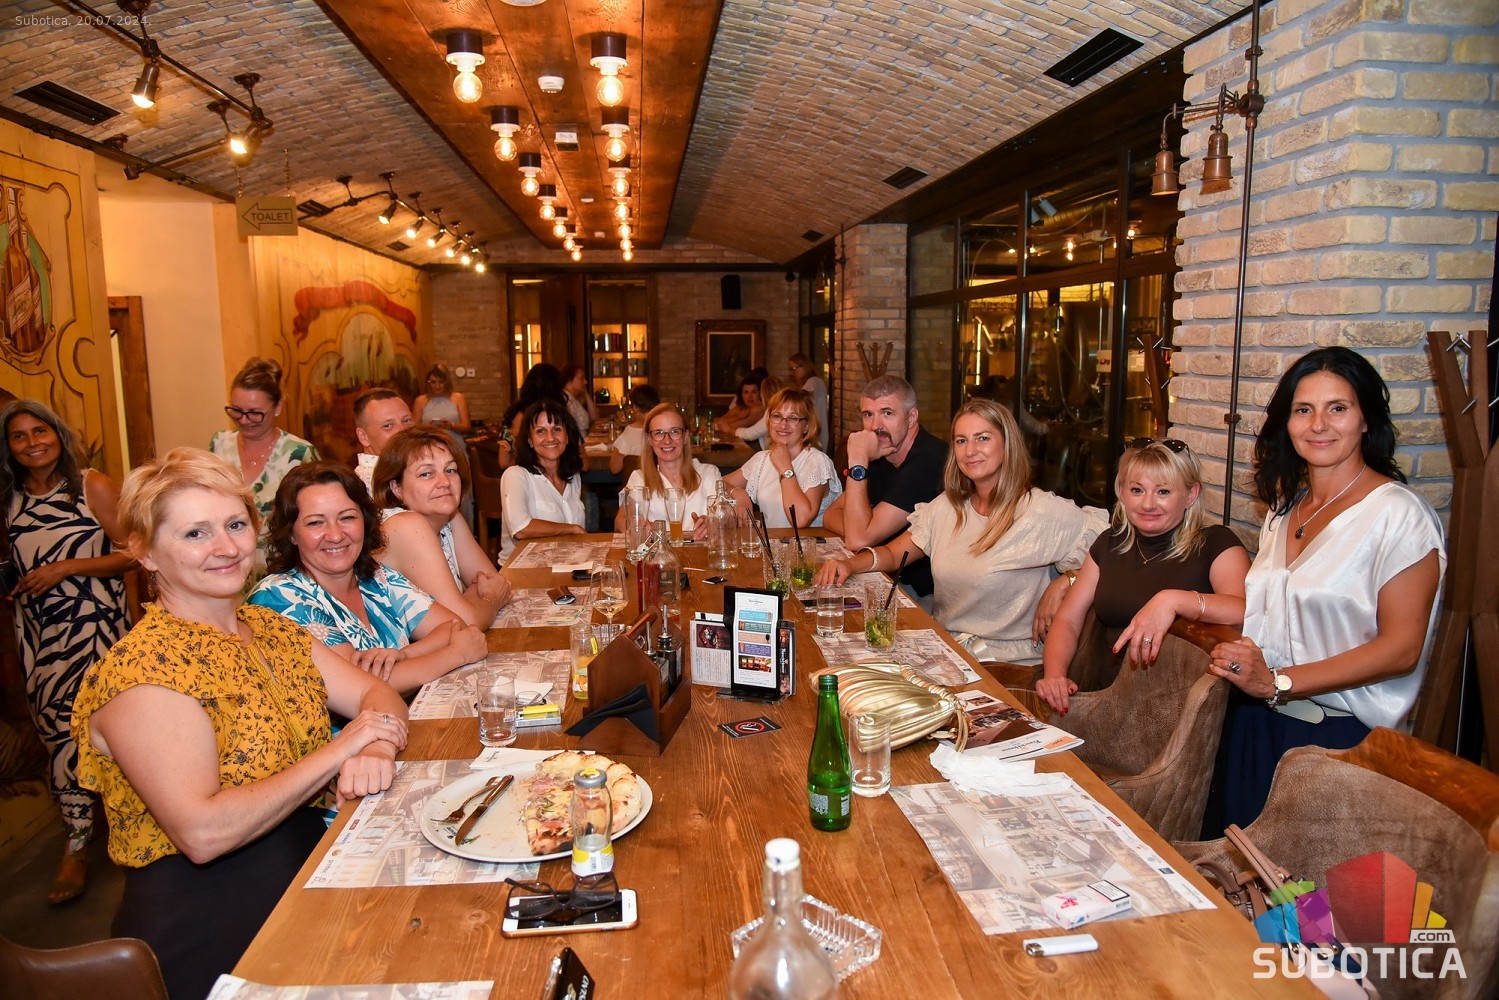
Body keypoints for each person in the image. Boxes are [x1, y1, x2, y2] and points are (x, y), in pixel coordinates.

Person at [70, 448, 408, 1000]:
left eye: (234, 525)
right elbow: (203, 834)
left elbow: (378, 693)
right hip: (210, 919)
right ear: (145, 552)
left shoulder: (268, 628)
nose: (226, 548)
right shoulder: (144, 672)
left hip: (309, 870)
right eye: (195, 534)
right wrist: (344, 747)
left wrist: (377, 749)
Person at [1201, 347, 1444, 832]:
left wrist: (1279, 681)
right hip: (1256, 724)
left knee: (1310, 881)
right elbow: (1271, 613)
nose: (1318, 425)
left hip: (1339, 742)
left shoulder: (1398, 515)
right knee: (1231, 871)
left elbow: (1402, 649)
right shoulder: (1284, 510)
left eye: (1338, 408)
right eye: (1303, 409)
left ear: (1366, 419)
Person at [814, 397, 1106, 665]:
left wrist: (1068, 580)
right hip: (949, 652)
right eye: (961, 441)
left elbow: (1115, 549)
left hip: (1009, 667)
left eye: (983, 438)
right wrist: (849, 564)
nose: (970, 451)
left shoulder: (1039, 511)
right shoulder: (948, 507)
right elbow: (892, 553)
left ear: (1008, 444)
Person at [0, 401, 132, 904]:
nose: (32, 442)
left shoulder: (89, 485)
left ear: (57, 434)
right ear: (8, 447)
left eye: (40, 431)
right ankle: (77, 840)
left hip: (98, 629)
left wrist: (67, 567)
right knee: (58, 734)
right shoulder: (9, 499)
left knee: (114, 731)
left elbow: (133, 553)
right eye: (19, 436)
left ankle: (132, 828)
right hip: (40, 635)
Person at [1036, 438, 1249, 715]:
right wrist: (1054, 675)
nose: (1148, 503)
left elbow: (1243, 610)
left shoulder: (1216, 543)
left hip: (1179, 710)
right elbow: (1068, 620)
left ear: (1191, 494)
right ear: (1122, 492)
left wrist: (1172, 600)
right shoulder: (1110, 543)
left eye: (1163, 491)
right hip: (1105, 700)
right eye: (1137, 490)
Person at [250, 462, 488, 694]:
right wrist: (456, 654)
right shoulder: (278, 598)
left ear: (365, 520)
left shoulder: (375, 577)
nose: (335, 535)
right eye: (315, 523)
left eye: (347, 518)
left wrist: (404, 655)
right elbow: (359, 686)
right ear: (291, 533)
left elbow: (454, 626)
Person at [821, 375, 946, 599]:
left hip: (922, 595)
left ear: (911, 417)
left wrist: (858, 461)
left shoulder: (929, 460)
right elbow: (830, 515)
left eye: (887, 413)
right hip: (884, 574)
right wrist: (864, 528)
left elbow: (858, 540)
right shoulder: (883, 454)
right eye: (868, 414)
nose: (876, 426)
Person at [373, 426, 512, 627]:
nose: (445, 482)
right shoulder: (405, 526)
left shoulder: (448, 516)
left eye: (450, 470)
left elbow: (495, 581)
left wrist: (469, 603)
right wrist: (490, 599)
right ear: (397, 488)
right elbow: (462, 622)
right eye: (426, 474)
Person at [210, 357, 319, 570]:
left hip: (280, 568)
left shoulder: (299, 453)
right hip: (225, 563)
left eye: (255, 413)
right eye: (236, 410)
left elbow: (314, 518)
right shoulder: (219, 445)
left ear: (277, 407)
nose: (244, 420)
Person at [723, 388, 840, 529]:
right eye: (777, 416)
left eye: (793, 418)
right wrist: (738, 494)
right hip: (772, 541)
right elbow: (718, 482)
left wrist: (785, 468)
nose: (783, 425)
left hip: (809, 543)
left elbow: (800, 519)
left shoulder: (816, 461)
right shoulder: (761, 459)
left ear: (806, 426)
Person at [614, 403, 724, 539]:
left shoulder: (709, 474)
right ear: (649, 439)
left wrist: (713, 522)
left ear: (685, 436)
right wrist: (636, 525)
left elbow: (724, 517)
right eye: (659, 433)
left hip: (700, 551)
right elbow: (620, 520)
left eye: (674, 432)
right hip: (656, 552)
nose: (667, 440)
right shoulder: (639, 478)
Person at [499, 398, 587, 562]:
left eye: (557, 429)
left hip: (567, 564)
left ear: (567, 437)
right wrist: (571, 529)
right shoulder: (516, 475)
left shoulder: (572, 477)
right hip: (522, 571)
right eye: (540, 431)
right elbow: (520, 528)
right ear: (530, 440)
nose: (550, 437)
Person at [352, 387, 414, 494]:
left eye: (406, 420)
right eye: (388, 425)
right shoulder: (374, 484)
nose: (403, 430)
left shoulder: (399, 469)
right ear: (363, 437)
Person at [609, 383, 661, 475]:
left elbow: (614, 468)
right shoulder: (665, 428)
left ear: (636, 407)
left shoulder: (630, 432)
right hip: (661, 481)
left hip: (636, 483)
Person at [787, 352, 830, 450]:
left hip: (814, 429)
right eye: (791, 369)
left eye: (795, 368)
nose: (793, 372)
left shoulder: (813, 381)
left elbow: (804, 402)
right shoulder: (813, 382)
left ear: (804, 366)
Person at [413, 363, 472, 434]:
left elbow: (466, 427)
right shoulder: (420, 401)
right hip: (429, 440)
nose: (437, 386)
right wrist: (428, 428)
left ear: (447, 382)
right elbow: (413, 430)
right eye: (433, 382)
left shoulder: (458, 398)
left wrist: (451, 426)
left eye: (441, 382)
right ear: (428, 382)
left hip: (453, 440)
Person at [734, 374, 782, 451]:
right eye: (746, 392)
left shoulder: (773, 410)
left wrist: (730, 430)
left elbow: (750, 434)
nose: (750, 396)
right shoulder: (774, 408)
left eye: (754, 392)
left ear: (763, 394)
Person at [560, 363, 598, 437]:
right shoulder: (566, 400)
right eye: (581, 378)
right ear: (569, 380)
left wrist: (586, 393)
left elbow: (594, 418)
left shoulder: (573, 398)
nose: (585, 382)